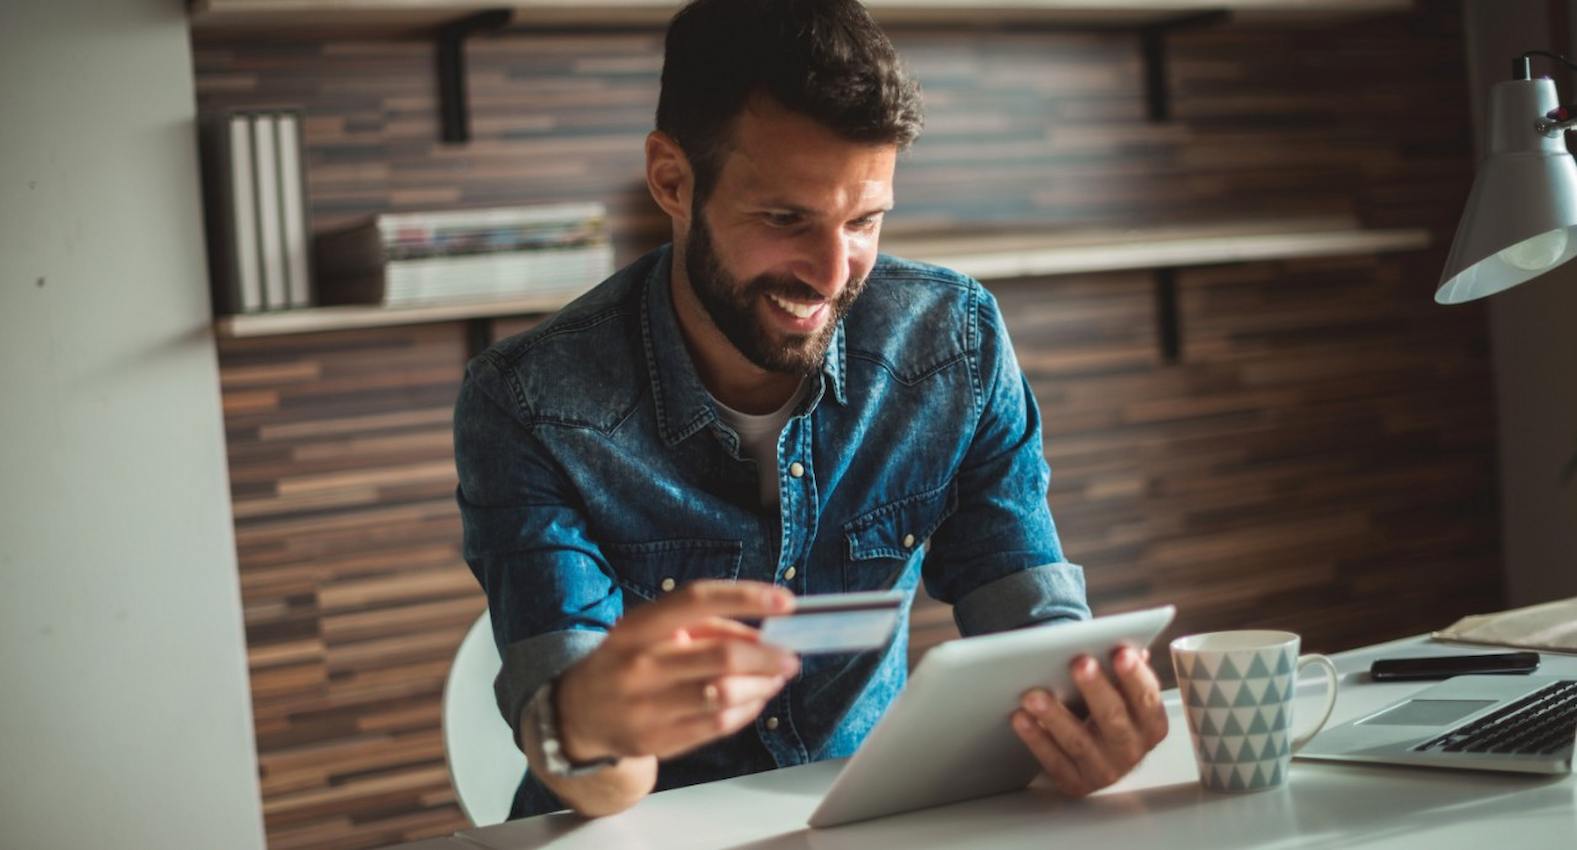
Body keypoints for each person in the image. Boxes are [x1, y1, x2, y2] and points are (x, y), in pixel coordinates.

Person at [453, 0, 1168, 821]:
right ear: (672, 181)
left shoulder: (953, 341)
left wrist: (1084, 719)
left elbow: (1027, 616)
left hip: (868, 821)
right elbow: (586, 768)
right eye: (785, 219)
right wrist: (590, 723)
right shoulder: (529, 401)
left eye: (864, 220)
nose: (832, 274)